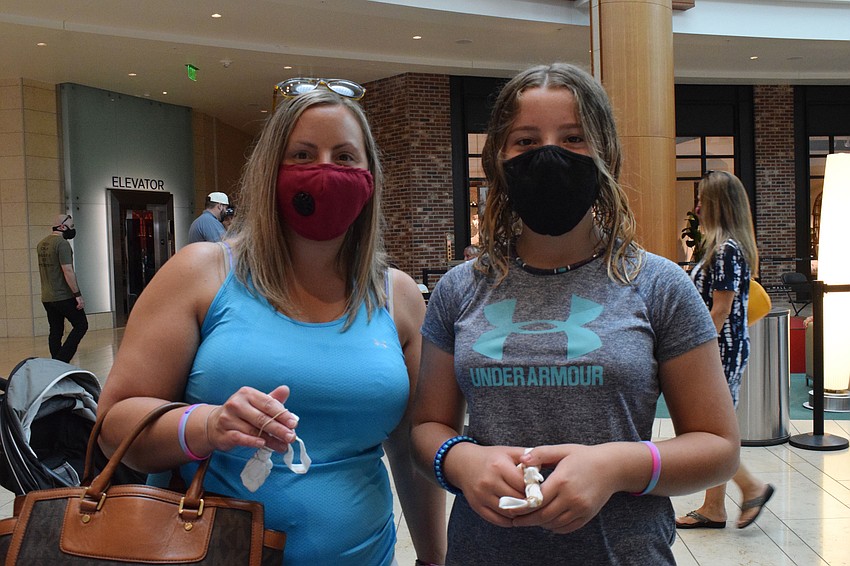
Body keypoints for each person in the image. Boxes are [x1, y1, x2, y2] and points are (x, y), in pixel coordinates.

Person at [97, 80, 446, 566]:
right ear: (269, 172)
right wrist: (207, 424)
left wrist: (433, 557)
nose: (324, 171)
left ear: (370, 178)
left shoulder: (398, 297)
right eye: (303, 154)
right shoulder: (201, 273)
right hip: (206, 551)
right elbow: (115, 425)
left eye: (344, 157)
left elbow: (410, 452)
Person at [410, 63, 740, 565]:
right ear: (497, 159)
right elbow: (427, 427)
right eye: (525, 141)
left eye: (573, 138)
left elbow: (718, 447)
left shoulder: (659, 285)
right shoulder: (460, 289)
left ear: (605, 153)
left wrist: (615, 466)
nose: (549, 155)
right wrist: (462, 459)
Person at [676, 171, 775, 530]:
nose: (697, 207)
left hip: (720, 353)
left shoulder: (726, 251)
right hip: (720, 351)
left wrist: (695, 356)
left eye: (703, 199)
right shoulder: (722, 248)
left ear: (719, 203)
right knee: (714, 431)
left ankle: (751, 487)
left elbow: (720, 309)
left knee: (712, 433)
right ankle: (715, 507)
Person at [36, 214, 88, 362]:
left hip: (47, 297)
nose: (73, 230)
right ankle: (61, 361)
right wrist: (77, 294)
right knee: (81, 325)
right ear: (62, 227)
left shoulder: (41, 244)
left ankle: (56, 364)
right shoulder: (62, 244)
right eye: (71, 227)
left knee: (56, 330)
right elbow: (68, 271)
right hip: (63, 296)